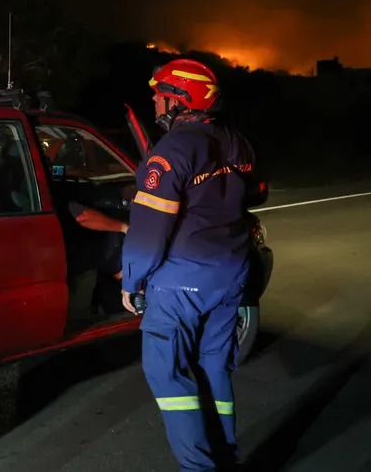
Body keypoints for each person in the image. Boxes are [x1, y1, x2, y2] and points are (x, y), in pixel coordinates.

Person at [122, 58, 258, 471]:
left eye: (159, 95)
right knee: (214, 368)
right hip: (230, 275)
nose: (155, 103)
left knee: (168, 375)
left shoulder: (174, 150)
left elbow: (148, 230)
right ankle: (225, 457)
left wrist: (132, 282)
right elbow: (247, 200)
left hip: (180, 282)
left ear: (179, 99)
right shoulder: (239, 143)